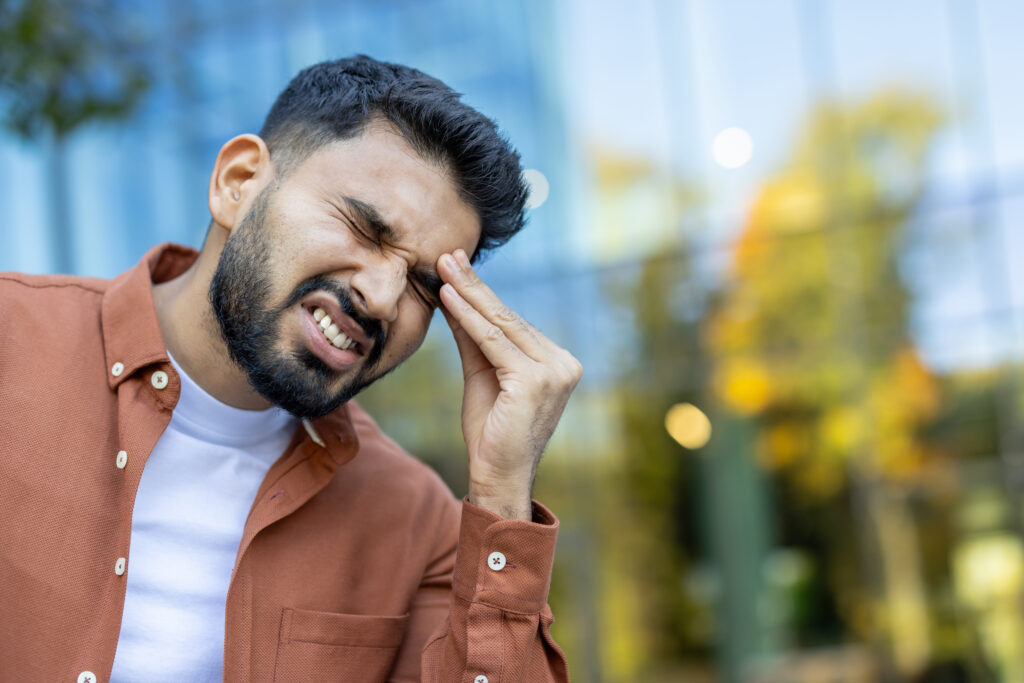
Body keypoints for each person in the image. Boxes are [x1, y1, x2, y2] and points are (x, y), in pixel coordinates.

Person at [0, 55, 579, 682]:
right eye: (363, 227)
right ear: (239, 182)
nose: (383, 297)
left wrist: (500, 493)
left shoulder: (416, 523)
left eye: (422, 285)